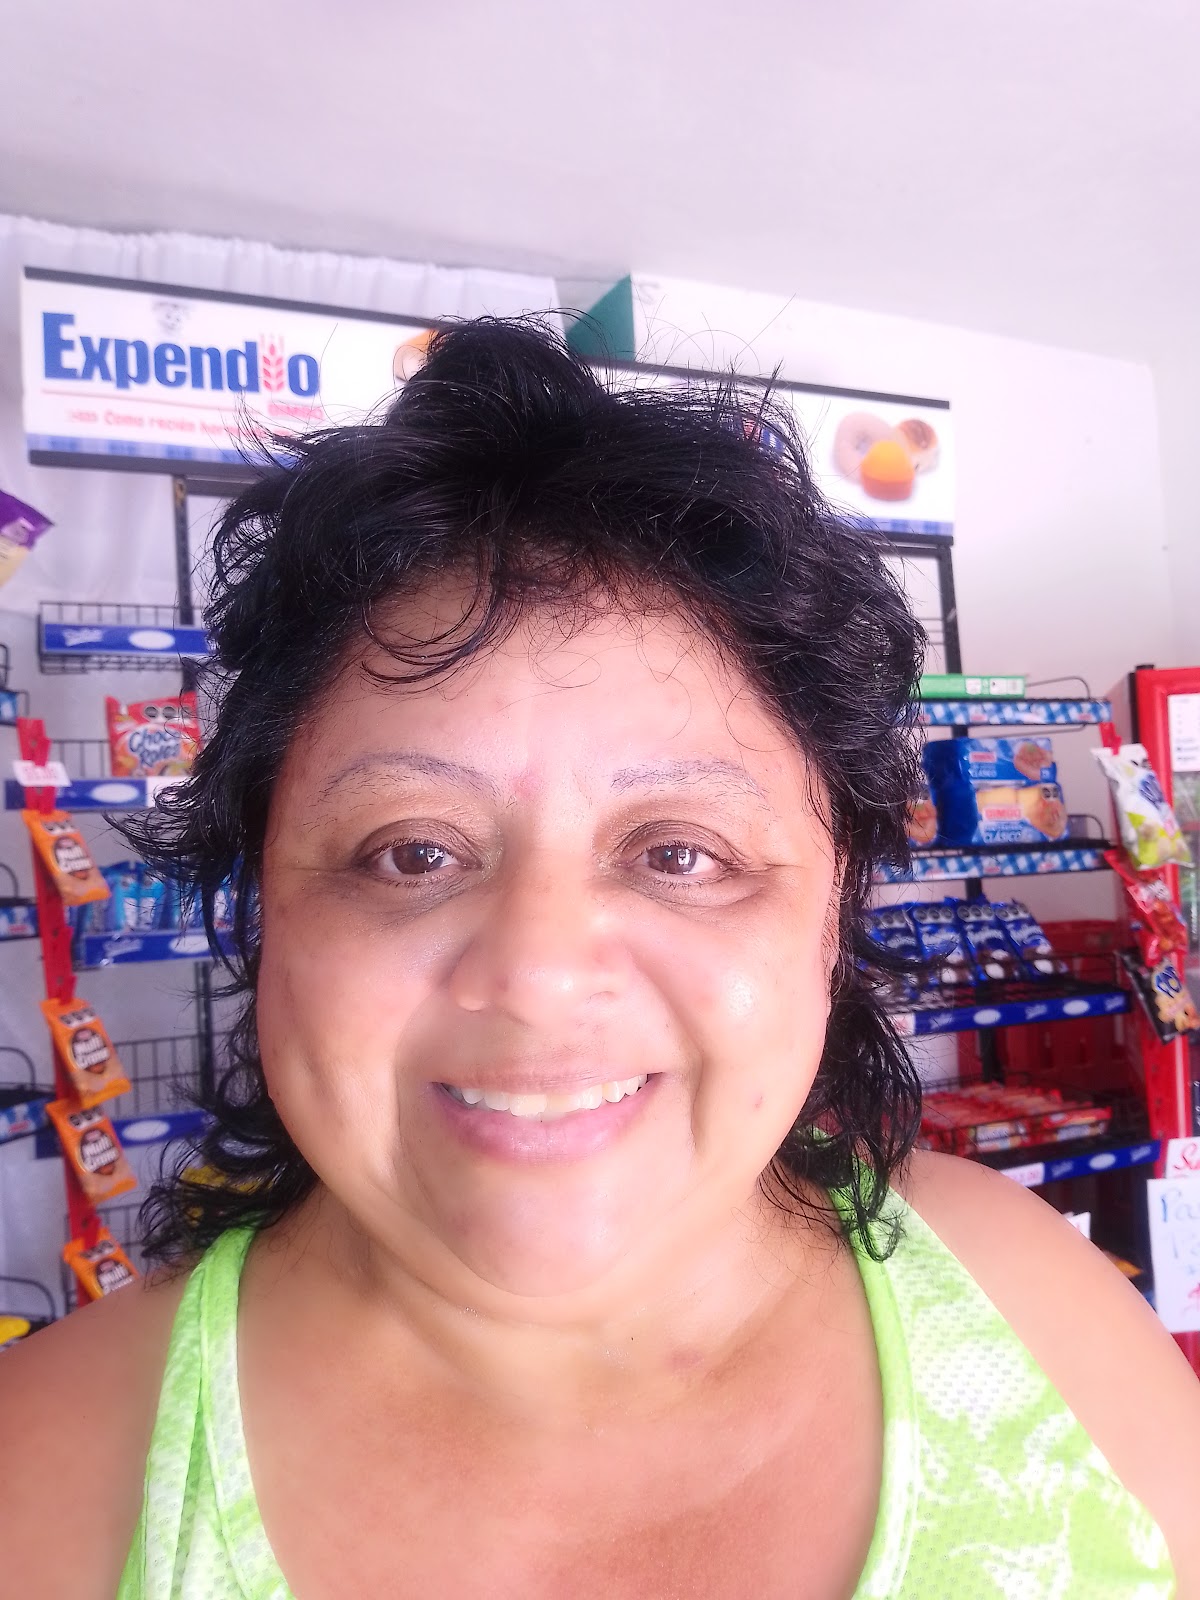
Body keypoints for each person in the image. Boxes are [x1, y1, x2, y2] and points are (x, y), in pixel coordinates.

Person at [4, 320, 1198, 1600]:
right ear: (263, 906)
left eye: (680, 852)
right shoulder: (48, 1476)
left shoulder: (1035, 1314)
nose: (540, 973)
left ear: (834, 911)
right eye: (412, 851)